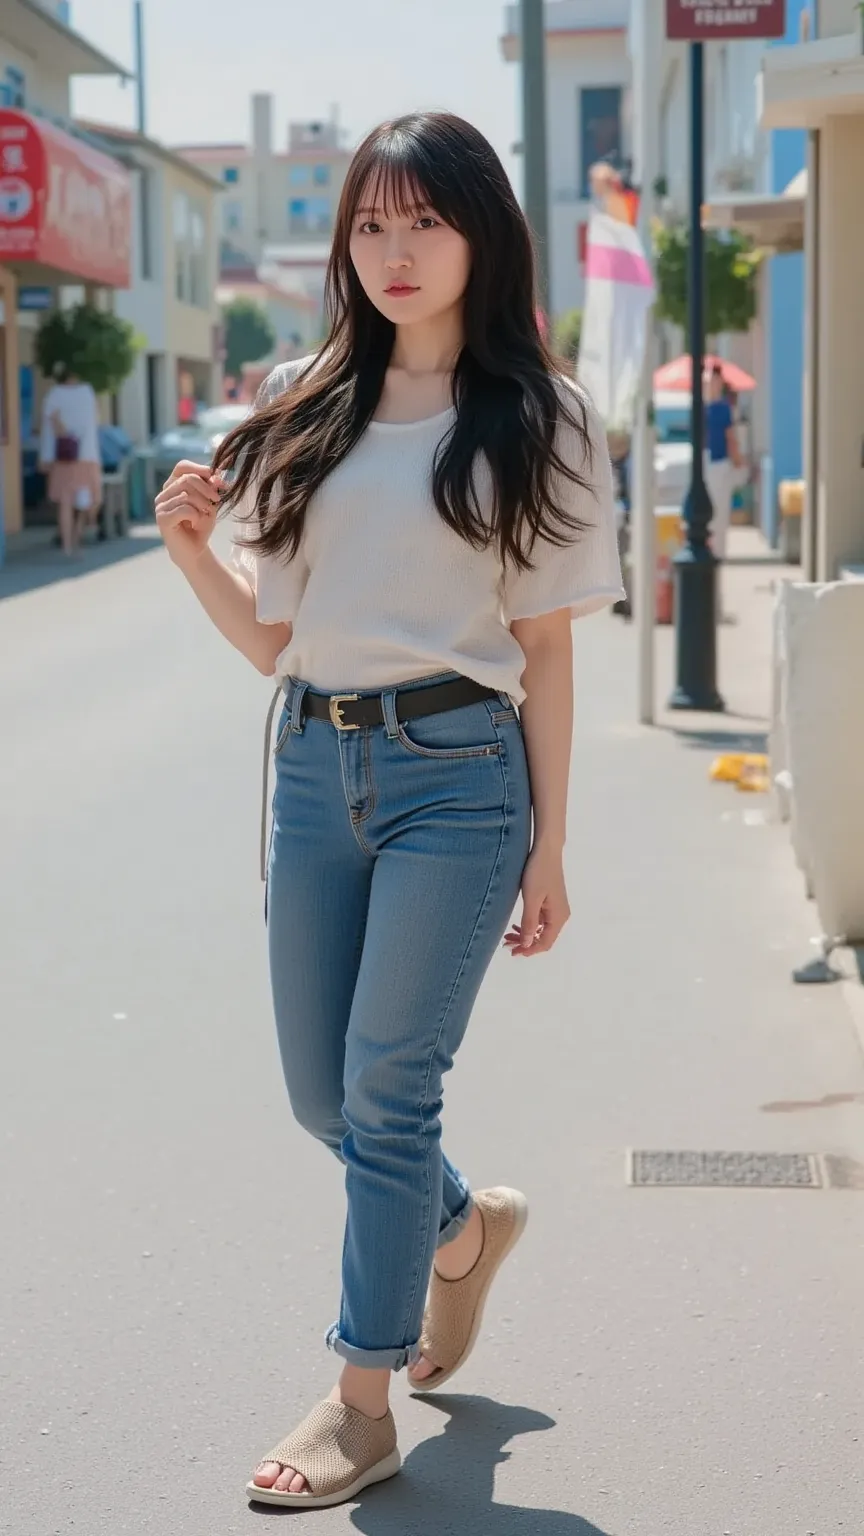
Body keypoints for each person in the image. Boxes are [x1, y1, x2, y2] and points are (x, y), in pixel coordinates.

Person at [155, 111, 622, 1511]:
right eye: (370, 222)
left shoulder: (539, 414)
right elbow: (273, 644)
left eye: (423, 221)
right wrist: (189, 547)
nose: (393, 250)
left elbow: (543, 648)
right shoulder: (306, 399)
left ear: (482, 233)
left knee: (385, 1090)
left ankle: (361, 1404)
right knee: (326, 1097)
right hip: (313, 766)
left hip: (459, 780)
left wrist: (551, 840)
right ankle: (461, 1233)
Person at [39, 363, 101, 558]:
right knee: (83, 502)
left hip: (63, 456)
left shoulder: (54, 396)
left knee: (65, 502)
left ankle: (67, 545)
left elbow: (48, 430)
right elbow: (93, 427)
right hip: (87, 456)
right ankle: (77, 538)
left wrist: (45, 457)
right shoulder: (87, 393)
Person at [704, 362, 742, 563]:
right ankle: (709, 546)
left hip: (720, 462)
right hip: (704, 462)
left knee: (720, 508)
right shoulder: (700, 407)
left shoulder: (723, 408)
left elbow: (730, 436)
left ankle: (719, 550)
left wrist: (737, 459)